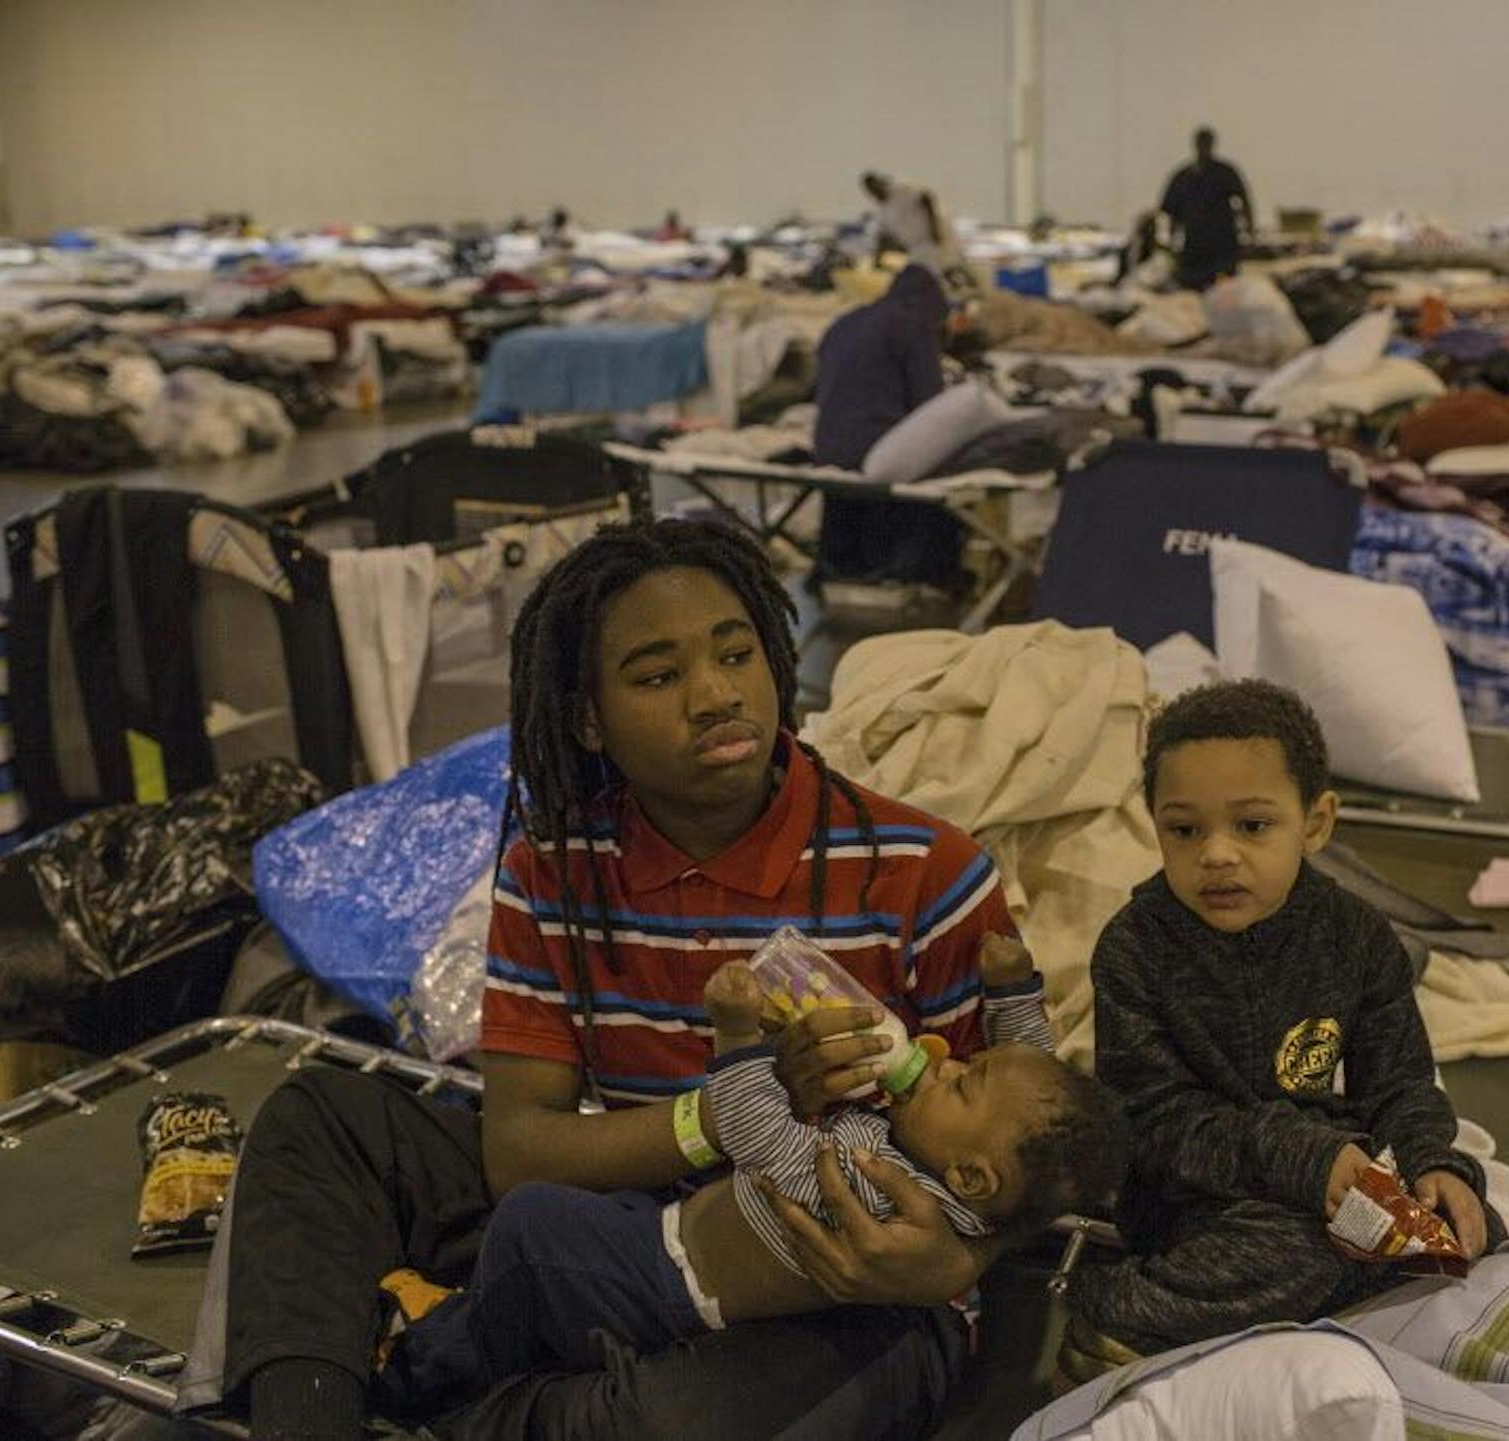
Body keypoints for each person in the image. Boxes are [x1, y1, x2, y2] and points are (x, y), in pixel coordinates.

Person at [219, 518, 1027, 1440]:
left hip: (837, 1279)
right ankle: (310, 1415)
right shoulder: (555, 870)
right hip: (624, 1226)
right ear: (588, 718)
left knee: (684, 1420)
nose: (716, 694)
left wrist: (948, 1264)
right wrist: (724, 1116)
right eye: (657, 675)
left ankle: (465, 1386)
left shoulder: (927, 870)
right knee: (325, 1117)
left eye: (737, 652)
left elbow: (1024, 1146)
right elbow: (519, 1150)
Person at [374, 941, 1122, 1418]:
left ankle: (427, 1368)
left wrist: (736, 1035)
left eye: (961, 1084)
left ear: (971, 1174)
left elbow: (756, 1133)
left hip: (667, 1278)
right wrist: (1012, 990)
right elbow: (1036, 1083)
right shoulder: (973, 1185)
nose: (947, 1062)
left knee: (531, 1227)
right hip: (674, 1236)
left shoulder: (869, 1188)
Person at [1066, 680, 1493, 1358]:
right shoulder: (1134, 950)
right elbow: (1151, 1123)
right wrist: (1302, 1156)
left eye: (1252, 825)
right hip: (1195, 1202)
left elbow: (1403, 1084)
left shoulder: (1355, 936)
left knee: (1475, 1229)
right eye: (1185, 829)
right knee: (1306, 1256)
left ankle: (1275, 1319)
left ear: (1316, 823)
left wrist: (1433, 1163)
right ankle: (1113, 1308)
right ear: (1155, 824)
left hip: (1324, 1188)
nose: (1216, 853)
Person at [812, 265, 966, 592]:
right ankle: (923, 571)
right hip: (874, 451)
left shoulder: (845, 321)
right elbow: (930, 406)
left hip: (827, 447)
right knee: (946, 470)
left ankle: (841, 564)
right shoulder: (914, 326)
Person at [1159, 127, 1255, 291]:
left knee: (1225, 291)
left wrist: (1249, 232)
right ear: (1196, 145)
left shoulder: (1224, 173)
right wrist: (1171, 245)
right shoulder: (1183, 177)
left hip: (1222, 245)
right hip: (1194, 246)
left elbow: (1244, 202)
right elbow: (1171, 214)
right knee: (1192, 289)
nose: (1204, 147)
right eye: (1202, 143)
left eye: (1207, 143)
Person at [861, 171, 965, 278]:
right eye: (872, 191)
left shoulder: (901, 190)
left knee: (946, 265)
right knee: (928, 273)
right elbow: (883, 237)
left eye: (876, 187)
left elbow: (926, 198)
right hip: (917, 249)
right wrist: (877, 259)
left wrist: (935, 229)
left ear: (880, 184)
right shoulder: (883, 213)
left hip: (933, 239)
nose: (876, 192)